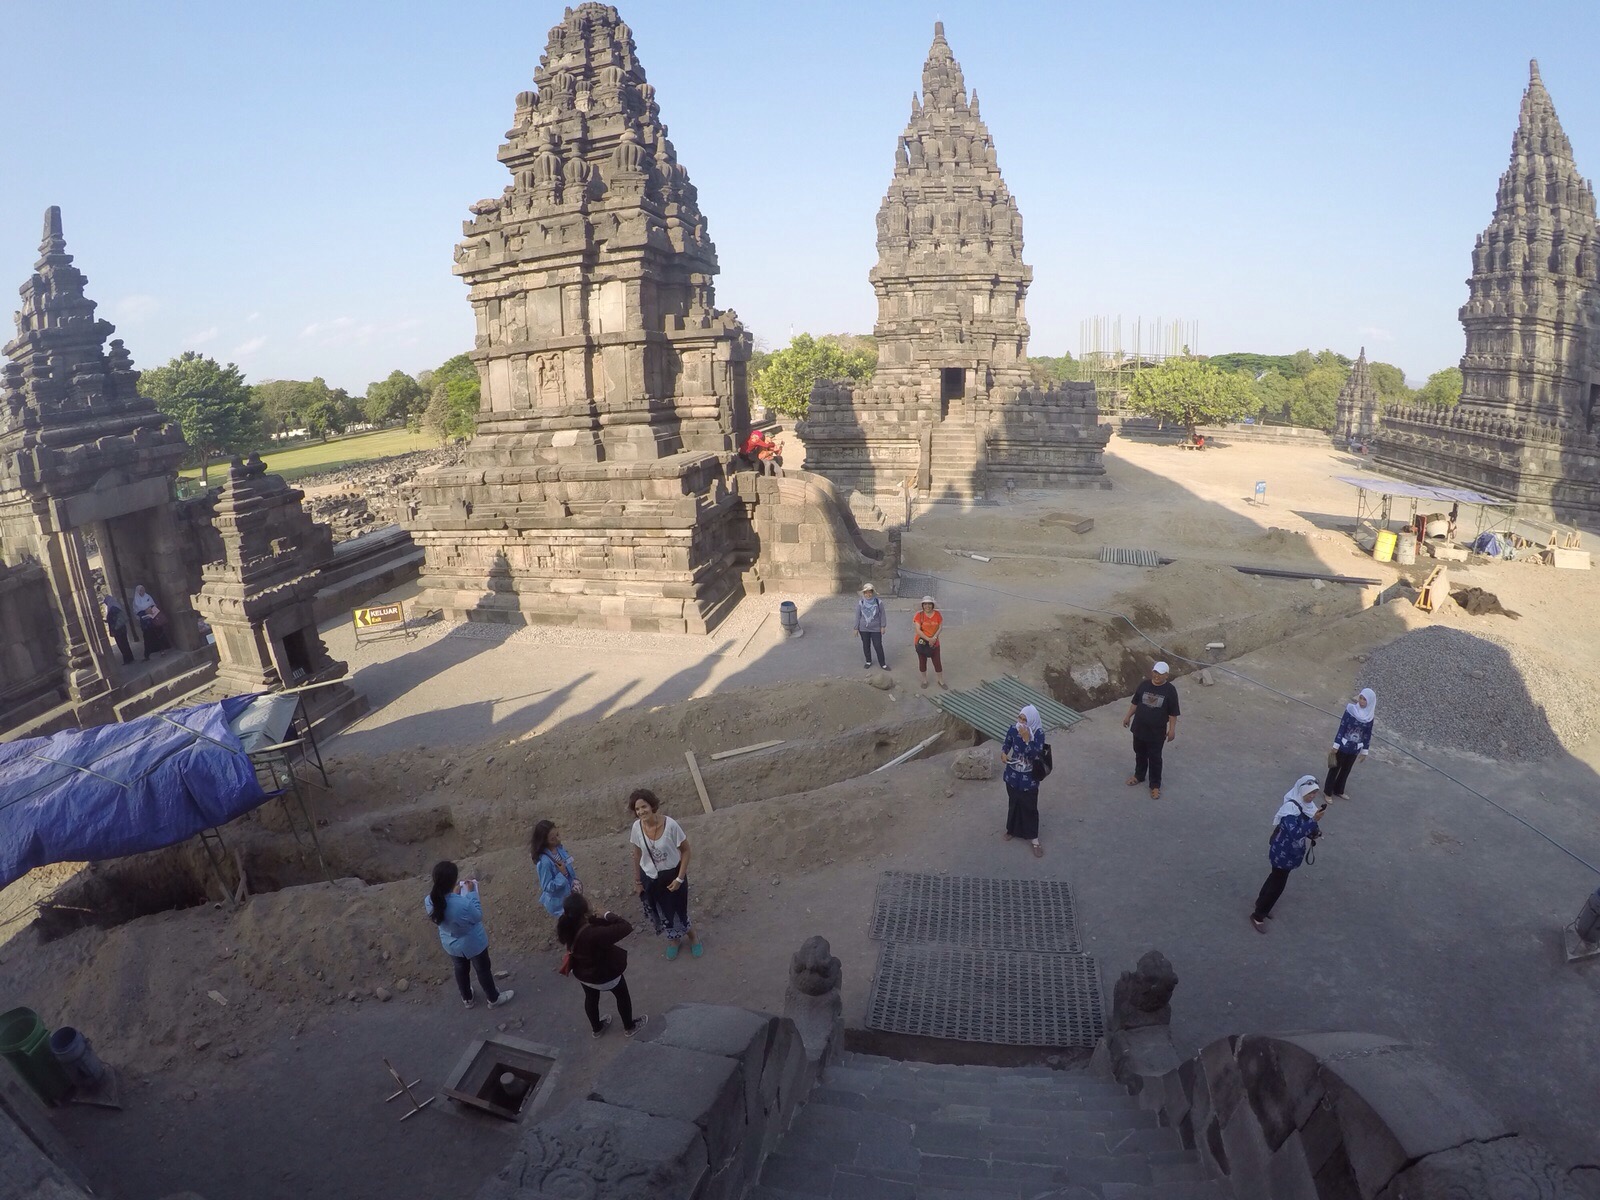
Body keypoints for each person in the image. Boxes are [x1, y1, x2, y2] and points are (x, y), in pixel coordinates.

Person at [423, 861, 514, 1009]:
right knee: (483, 970)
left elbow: (445, 909)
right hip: (473, 943)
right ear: (453, 881)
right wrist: (471, 893)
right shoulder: (463, 904)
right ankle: (493, 998)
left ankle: (467, 998)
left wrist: (453, 895)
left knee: (460, 969)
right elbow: (477, 916)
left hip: (451, 943)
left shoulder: (429, 900)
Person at [556, 893, 647, 1039]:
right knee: (622, 996)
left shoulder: (570, 926)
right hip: (605, 975)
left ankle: (597, 1029)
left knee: (591, 998)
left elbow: (594, 927)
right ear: (584, 913)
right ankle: (629, 1027)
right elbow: (625, 927)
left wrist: (593, 918)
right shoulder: (594, 934)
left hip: (584, 975)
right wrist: (606, 914)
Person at [628, 788, 702, 959]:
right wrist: (638, 881)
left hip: (672, 877)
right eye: (637, 809)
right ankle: (674, 940)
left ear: (652, 805)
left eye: (644, 806)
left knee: (679, 911)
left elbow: (686, 851)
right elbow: (637, 854)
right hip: (650, 879)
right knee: (663, 913)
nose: (641, 812)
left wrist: (680, 878)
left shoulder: (671, 825)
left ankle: (693, 937)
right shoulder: (636, 827)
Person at [1251, 776, 1330, 932]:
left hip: (1291, 852)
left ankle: (1261, 903)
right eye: (1310, 793)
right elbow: (1295, 833)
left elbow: (1305, 829)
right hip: (1282, 852)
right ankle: (1258, 915)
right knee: (1277, 885)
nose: (1313, 796)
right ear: (1301, 791)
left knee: (1274, 877)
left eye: (1315, 793)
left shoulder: (1308, 807)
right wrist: (1314, 820)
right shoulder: (1290, 809)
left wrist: (1314, 832)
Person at [1123, 661, 1180, 799]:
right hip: (1139, 728)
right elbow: (1135, 703)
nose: (1157, 676)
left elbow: (1173, 713)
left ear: (1166, 675)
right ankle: (1139, 775)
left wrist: (1172, 730)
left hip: (1156, 732)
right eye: (1155, 672)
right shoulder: (1144, 685)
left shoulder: (1170, 690)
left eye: (1160, 673)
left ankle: (1155, 785)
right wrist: (1128, 716)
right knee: (1139, 753)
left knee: (1155, 758)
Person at [1001, 705, 1047, 858]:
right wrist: (1003, 753)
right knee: (1014, 802)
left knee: (1030, 806)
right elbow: (1007, 743)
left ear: (1031, 720)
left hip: (1029, 778)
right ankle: (1012, 830)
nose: (1021, 722)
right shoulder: (1014, 729)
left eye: (1025, 719)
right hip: (1013, 775)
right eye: (1020, 718)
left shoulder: (1038, 734)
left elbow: (1036, 754)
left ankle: (1034, 839)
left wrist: (1027, 740)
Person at [1325, 688, 1375, 799]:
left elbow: (1367, 734)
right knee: (1335, 768)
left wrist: (1365, 751)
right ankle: (1327, 792)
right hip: (1343, 745)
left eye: (1365, 700)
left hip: (1355, 748)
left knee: (1346, 769)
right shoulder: (1350, 710)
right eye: (1361, 698)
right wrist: (1336, 744)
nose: (1361, 701)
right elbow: (1342, 727)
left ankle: (1338, 789)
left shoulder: (1369, 717)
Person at [531, 819, 580, 919]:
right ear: (544, 841)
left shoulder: (558, 848)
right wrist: (562, 875)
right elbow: (547, 886)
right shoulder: (544, 862)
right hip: (560, 904)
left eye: (557, 835)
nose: (558, 839)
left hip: (569, 895)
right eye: (553, 838)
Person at [912, 596, 946, 690]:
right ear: (922, 605)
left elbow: (940, 627)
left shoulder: (937, 614)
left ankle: (940, 680)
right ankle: (924, 680)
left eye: (929, 604)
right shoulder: (918, 615)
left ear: (932, 605)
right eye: (925, 604)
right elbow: (918, 630)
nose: (927, 606)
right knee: (922, 662)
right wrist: (929, 639)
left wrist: (934, 638)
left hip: (934, 642)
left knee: (937, 662)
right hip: (922, 643)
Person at [856, 583, 888, 670]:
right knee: (866, 645)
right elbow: (858, 615)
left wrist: (883, 626)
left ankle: (883, 663)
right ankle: (868, 661)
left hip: (876, 628)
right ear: (864, 593)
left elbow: (883, 614)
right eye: (866, 592)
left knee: (878, 645)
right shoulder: (861, 602)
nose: (868, 594)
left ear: (873, 593)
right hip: (863, 628)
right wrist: (856, 627)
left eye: (870, 592)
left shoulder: (878, 602)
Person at [131, 585, 167, 656]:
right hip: (145, 622)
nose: (142, 591)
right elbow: (137, 611)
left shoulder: (147, 596)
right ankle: (147, 654)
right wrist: (145, 611)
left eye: (143, 590)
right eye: (140, 590)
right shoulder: (136, 601)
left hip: (153, 620)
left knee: (158, 634)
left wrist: (151, 610)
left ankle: (162, 650)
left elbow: (153, 605)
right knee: (147, 637)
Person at [102, 594, 133, 665]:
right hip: (123, 628)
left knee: (121, 645)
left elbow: (111, 621)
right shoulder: (117, 606)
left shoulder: (111, 609)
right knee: (126, 643)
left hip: (117, 630)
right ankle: (130, 657)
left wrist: (112, 630)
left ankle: (127, 659)